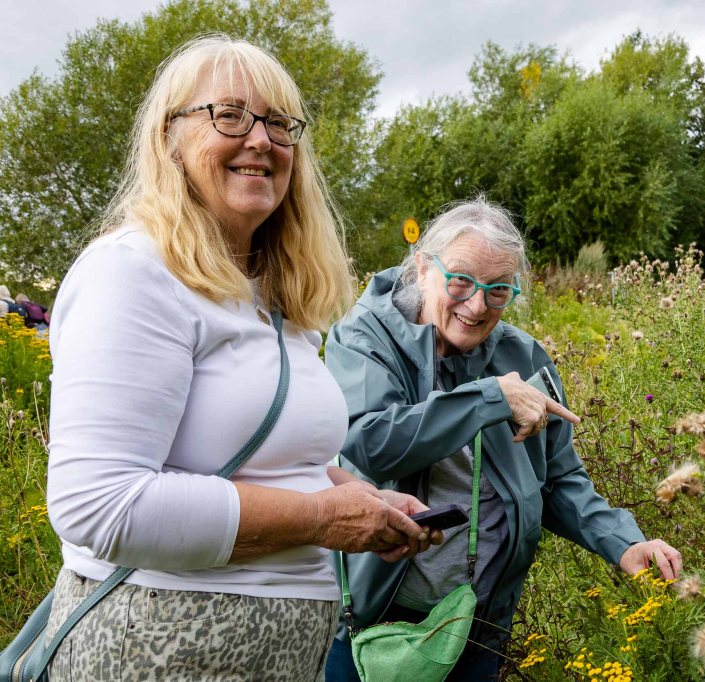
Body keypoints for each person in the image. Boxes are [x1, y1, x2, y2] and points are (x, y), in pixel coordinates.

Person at [44, 35, 438, 681]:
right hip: (155, 649)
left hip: (279, 652)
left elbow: (274, 460)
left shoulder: (272, 296)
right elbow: (99, 504)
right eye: (229, 115)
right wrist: (320, 517)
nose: (260, 140)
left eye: (280, 124)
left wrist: (363, 499)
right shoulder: (134, 272)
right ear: (170, 138)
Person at [324, 198, 683, 680]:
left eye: (498, 291)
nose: (477, 305)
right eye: (462, 282)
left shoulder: (521, 354)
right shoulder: (365, 338)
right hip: (378, 625)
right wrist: (491, 398)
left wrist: (623, 544)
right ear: (422, 267)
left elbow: (557, 478)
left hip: (479, 625)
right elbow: (369, 441)